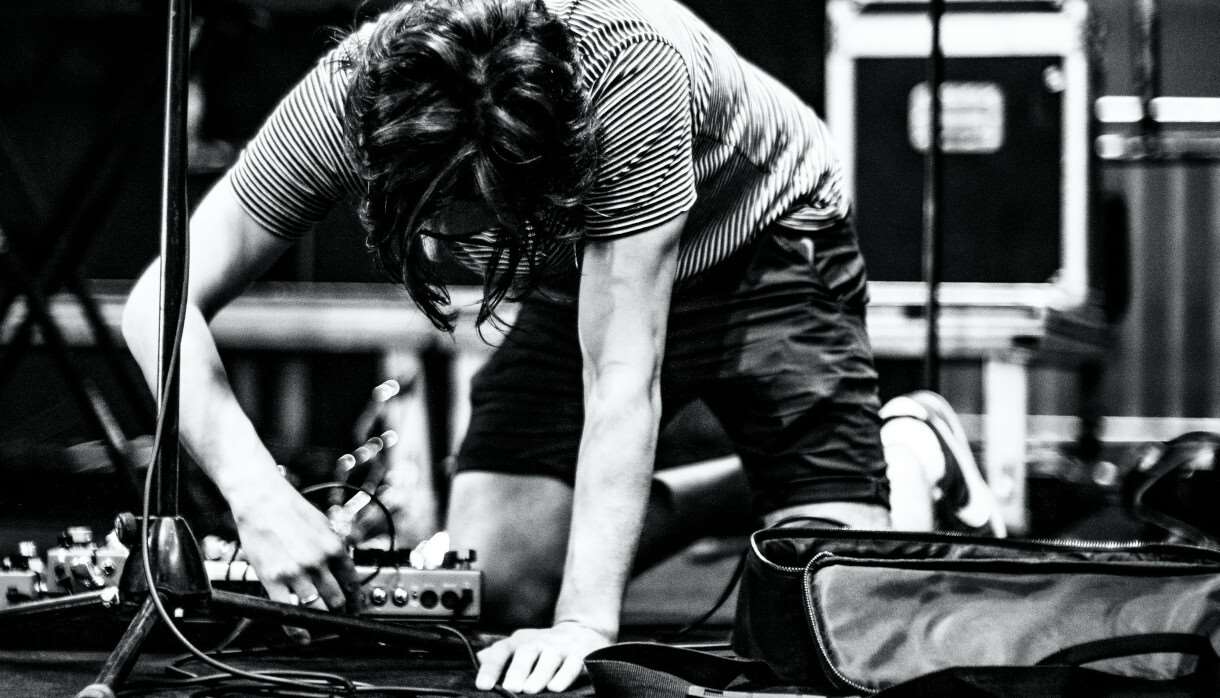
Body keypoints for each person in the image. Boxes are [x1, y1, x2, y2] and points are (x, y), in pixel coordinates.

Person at [122, 0, 895, 692]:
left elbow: (622, 377)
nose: (459, 245)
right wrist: (257, 494)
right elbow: (159, 303)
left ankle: (907, 446)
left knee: (834, 603)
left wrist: (583, 627)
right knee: (499, 580)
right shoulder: (348, 99)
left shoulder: (630, 71)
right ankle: (741, 486)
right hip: (582, 261)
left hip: (764, 236)